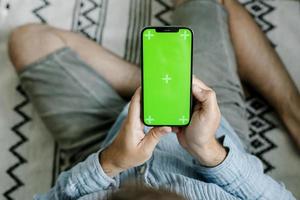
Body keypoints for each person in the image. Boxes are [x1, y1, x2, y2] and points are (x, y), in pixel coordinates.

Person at [8, 0, 299, 199]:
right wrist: (208, 149)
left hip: (105, 145)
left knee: (28, 40)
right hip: (205, 132)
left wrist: (110, 162)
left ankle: (152, 85)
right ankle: (293, 113)